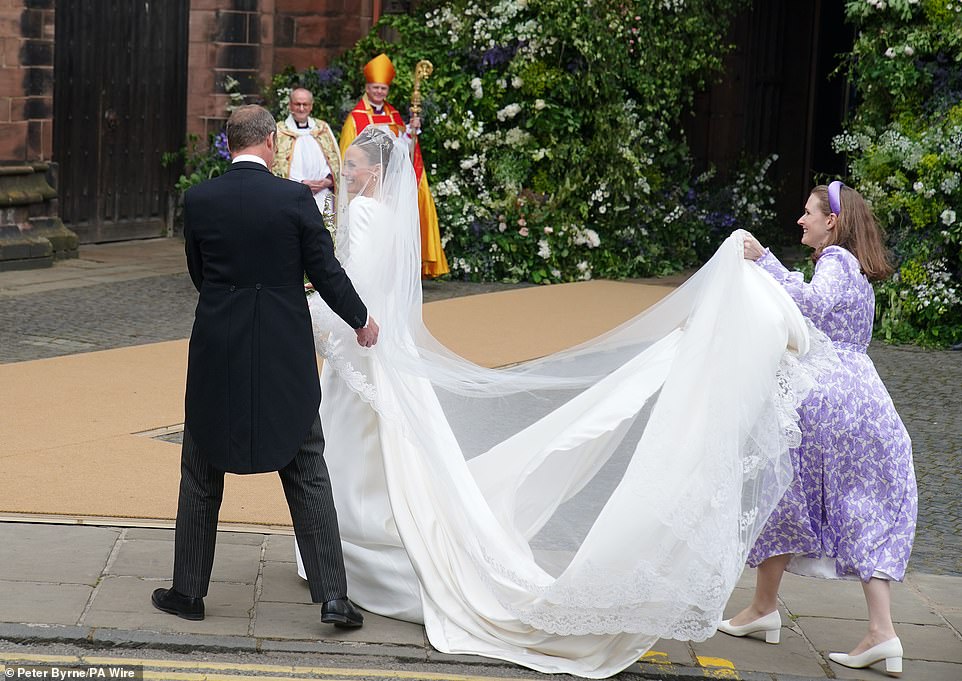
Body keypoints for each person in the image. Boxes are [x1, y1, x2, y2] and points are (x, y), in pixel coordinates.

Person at [296, 126, 836, 677]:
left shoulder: (363, 215)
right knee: (382, 457)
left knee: (356, 453)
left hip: (362, 349)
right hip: (386, 351)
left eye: (356, 167)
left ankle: (356, 556)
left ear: (376, 173)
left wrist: (310, 314)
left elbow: (357, 289)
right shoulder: (391, 217)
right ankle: (355, 552)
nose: (348, 175)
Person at [151, 104, 379, 630]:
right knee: (307, 469)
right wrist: (361, 318)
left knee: (201, 470)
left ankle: (188, 592)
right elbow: (325, 270)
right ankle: (334, 599)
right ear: (271, 142)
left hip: (218, 348)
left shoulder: (201, 199)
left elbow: (199, 272)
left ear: (229, 144)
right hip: (283, 351)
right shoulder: (295, 199)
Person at [720, 182, 917, 675]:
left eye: (807, 213)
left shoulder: (835, 262)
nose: (800, 221)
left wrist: (762, 261)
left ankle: (767, 609)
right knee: (858, 505)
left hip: (826, 397)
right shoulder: (855, 267)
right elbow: (816, 301)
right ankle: (878, 630)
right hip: (865, 398)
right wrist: (773, 264)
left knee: (783, 490)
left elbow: (808, 305)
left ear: (832, 220)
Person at [338, 53, 449, 278]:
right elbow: (349, 154)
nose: (379, 92)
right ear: (367, 87)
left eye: (383, 89)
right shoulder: (355, 119)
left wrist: (410, 131)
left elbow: (402, 150)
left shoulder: (393, 114)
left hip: (390, 184)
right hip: (367, 183)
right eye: (375, 87)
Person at [273, 87, 340, 222]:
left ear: (311, 106)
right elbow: (275, 167)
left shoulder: (323, 129)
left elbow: (336, 161)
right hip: (293, 198)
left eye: (305, 104)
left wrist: (328, 180)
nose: (302, 108)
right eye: (298, 104)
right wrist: (300, 184)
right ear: (290, 105)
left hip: (323, 196)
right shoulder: (279, 131)